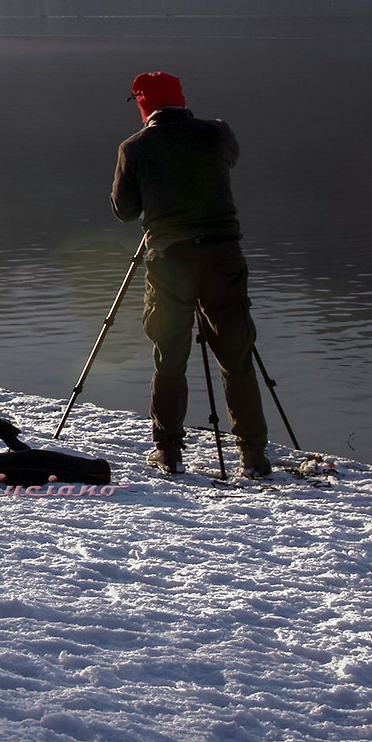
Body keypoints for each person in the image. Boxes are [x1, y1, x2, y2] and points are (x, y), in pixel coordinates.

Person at [111, 72, 272, 478]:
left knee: (170, 358)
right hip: (224, 257)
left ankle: (168, 452)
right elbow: (228, 158)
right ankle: (253, 456)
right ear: (182, 100)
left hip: (169, 261)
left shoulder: (134, 148)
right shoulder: (216, 134)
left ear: (143, 107)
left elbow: (126, 211)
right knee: (237, 357)